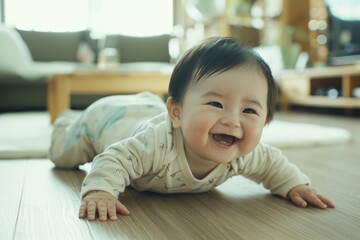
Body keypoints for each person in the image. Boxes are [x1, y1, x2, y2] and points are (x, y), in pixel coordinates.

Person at [50, 37, 334, 222]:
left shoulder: (244, 153)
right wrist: (100, 192)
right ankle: (68, 121)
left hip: (151, 110)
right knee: (64, 156)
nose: (233, 121)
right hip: (108, 121)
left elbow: (274, 166)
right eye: (216, 103)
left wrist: (297, 185)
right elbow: (114, 160)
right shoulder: (155, 145)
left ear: (266, 122)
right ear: (177, 113)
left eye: (249, 110)